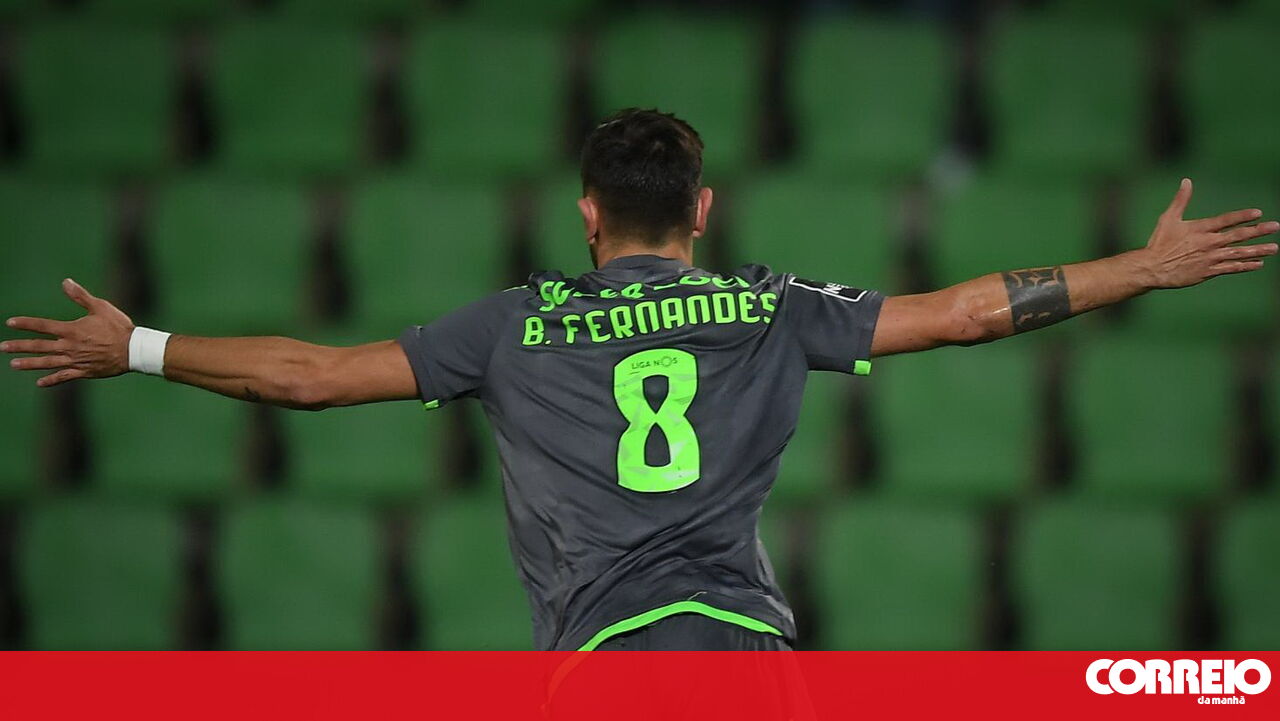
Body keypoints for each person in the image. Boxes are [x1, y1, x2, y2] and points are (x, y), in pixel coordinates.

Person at [4, 108, 1276, 651]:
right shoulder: (769, 306)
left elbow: (311, 378)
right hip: (747, 650)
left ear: (586, 215)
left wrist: (137, 345)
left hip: (607, 658)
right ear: (700, 211)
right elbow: (962, 315)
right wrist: (1143, 266)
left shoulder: (512, 326)